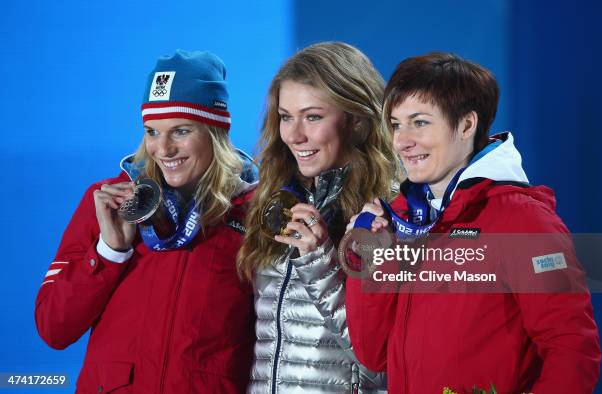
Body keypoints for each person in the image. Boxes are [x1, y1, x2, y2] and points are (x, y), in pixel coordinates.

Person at [344, 52, 602, 393]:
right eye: (395, 124)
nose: (402, 141)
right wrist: (370, 263)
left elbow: (573, 351)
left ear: (467, 125)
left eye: (420, 122)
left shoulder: (522, 220)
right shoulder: (404, 217)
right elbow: (374, 354)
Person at [35, 50, 256, 393]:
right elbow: (54, 329)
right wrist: (109, 252)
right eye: (152, 131)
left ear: (215, 132)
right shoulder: (109, 201)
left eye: (180, 130)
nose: (163, 149)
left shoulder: (255, 212)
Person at [237, 42, 396, 393]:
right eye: (285, 117)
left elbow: (384, 366)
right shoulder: (272, 200)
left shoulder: (393, 214)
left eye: (313, 116)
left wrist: (319, 262)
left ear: (356, 121)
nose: (294, 135)